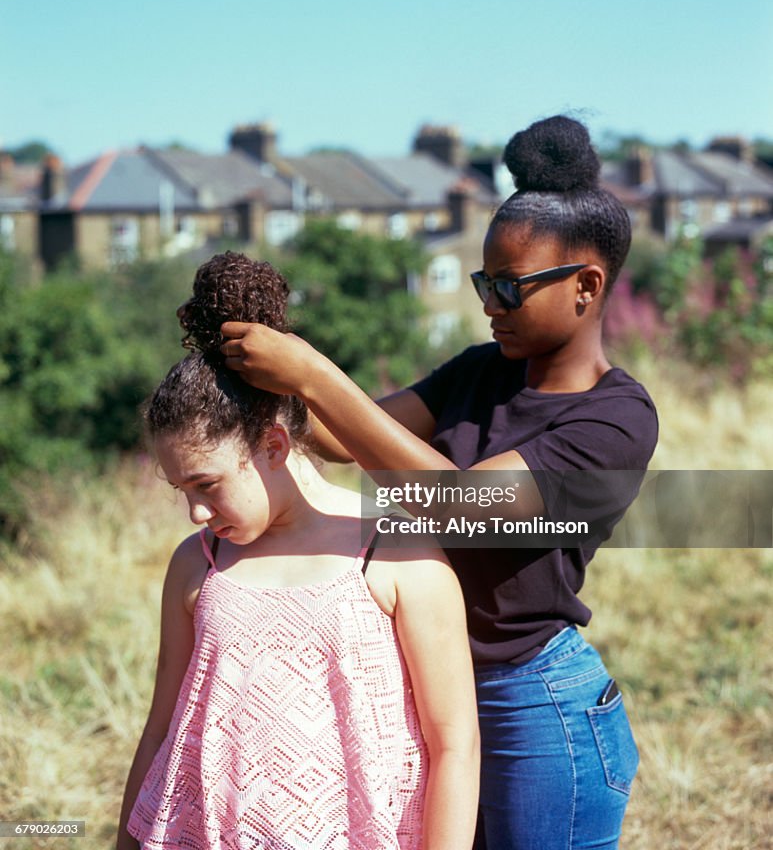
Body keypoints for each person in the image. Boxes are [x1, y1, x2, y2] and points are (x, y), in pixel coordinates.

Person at [218, 116, 659, 850]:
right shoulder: (478, 371)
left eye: (509, 287)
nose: (488, 302)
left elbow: (463, 509)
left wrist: (314, 373)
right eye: (484, 281)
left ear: (586, 286)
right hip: (429, 690)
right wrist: (267, 363)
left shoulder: (615, 422)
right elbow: (333, 436)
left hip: (530, 708)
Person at [116, 254, 480, 850]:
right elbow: (163, 728)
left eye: (208, 484)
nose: (197, 513)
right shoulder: (198, 563)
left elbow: (455, 744)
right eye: (182, 491)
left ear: (275, 445)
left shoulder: (396, 554)